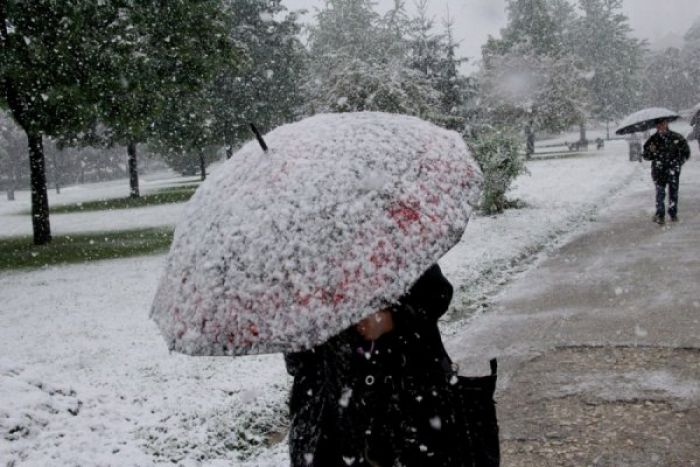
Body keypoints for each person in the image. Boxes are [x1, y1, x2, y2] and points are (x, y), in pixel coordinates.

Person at [284, 264, 498, 467]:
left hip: (407, 400)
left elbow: (438, 292)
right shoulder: (298, 263)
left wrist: (391, 319)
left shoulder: (382, 240)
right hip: (332, 421)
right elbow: (295, 359)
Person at [643, 119, 691, 224]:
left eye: (663, 124)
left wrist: (678, 162)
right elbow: (646, 156)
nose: (661, 126)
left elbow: (686, 152)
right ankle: (660, 214)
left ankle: (673, 213)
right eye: (658, 124)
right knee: (660, 193)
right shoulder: (652, 140)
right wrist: (651, 151)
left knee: (673, 192)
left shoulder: (676, 137)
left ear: (666, 124)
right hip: (658, 170)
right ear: (656, 126)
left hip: (673, 169)